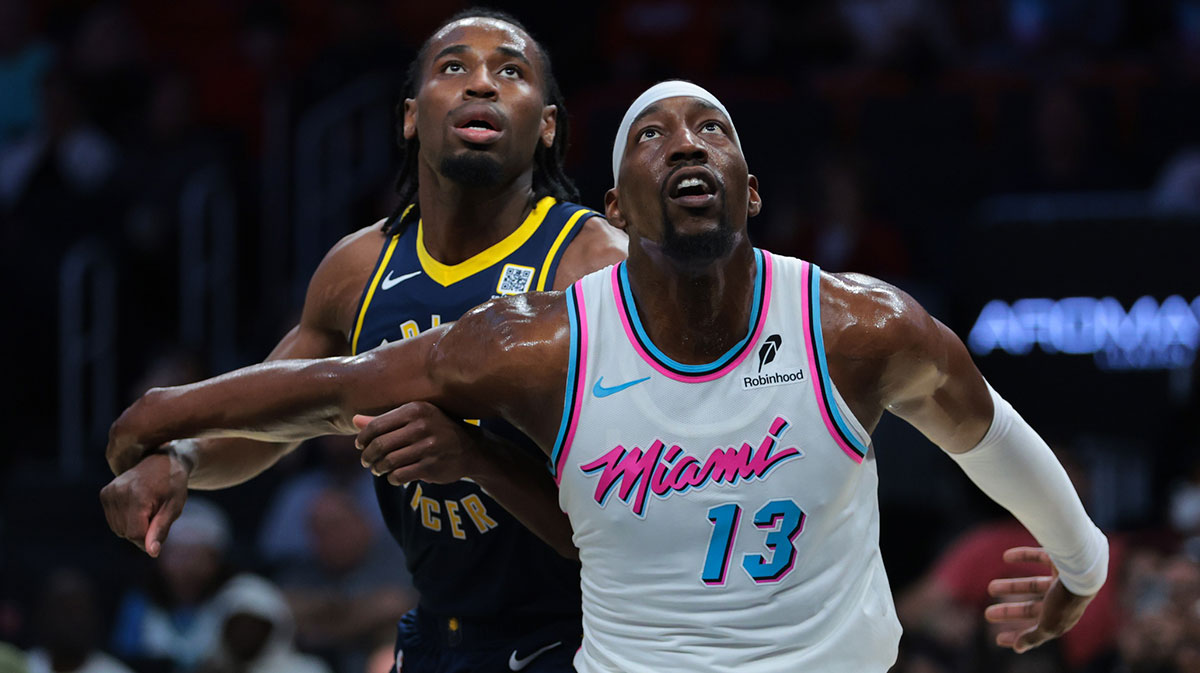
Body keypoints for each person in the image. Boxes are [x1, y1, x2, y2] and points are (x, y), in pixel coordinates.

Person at [105, 81, 1108, 673]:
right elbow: (339, 385)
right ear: (618, 210)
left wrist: (1083, 565)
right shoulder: (538, 346)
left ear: (749, 189)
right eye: (653, 136)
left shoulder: (859, 328)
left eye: (712, 131)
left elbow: (997, 439)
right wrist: (168, 429)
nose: (686, 144)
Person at [101, 9, 626, 673]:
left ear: (547, 126)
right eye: (454, 66)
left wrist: (477, 457)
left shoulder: (594, 265)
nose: (482, 84)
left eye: (511, 71)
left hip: (579, 632)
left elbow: (630, 513)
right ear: (410, 116)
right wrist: (181, 461)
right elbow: (272, 418)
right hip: (436, 630)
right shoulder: (358, 268)